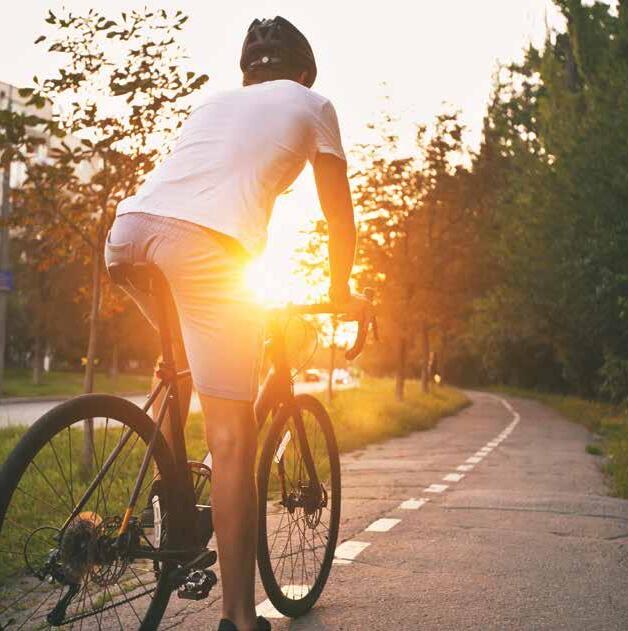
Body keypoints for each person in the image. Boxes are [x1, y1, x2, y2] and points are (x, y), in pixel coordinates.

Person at [105, 16, 365, 631]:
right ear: (304, 73)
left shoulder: (213, 103)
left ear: (248, 74)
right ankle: (240, 618)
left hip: (129, 233)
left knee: (177, 370)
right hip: (207, 249)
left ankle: (174, 514)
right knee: (232, 440)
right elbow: (339, 216)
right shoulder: (315, 104)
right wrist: (341, 292)